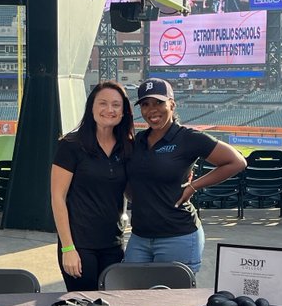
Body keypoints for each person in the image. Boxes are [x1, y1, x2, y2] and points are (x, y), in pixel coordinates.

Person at [124, 78, 247, 274]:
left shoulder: (188, 138)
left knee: (172, 301)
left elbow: (237, 162)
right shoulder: (137, 141)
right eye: (145, 104)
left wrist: (193, 186)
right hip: (139, 236)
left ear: (172, 104)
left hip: (177, 235)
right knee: (130, 296)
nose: (151, 110)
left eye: (158, 102)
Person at [50, 81, 135, 291]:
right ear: (91, 107)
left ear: (123, 112)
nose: (109, 110)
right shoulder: (71, 145)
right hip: (80, 245)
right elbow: (57, 198)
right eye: (103, 103)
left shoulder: (127, 146)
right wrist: (68, 248)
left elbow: (131, 191)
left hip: (113, 243)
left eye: (116, 105)